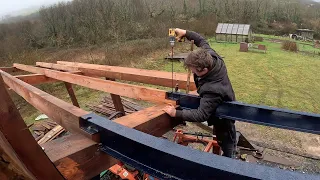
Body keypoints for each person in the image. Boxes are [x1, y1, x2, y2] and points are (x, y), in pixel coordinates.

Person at [163, 28, 237, 158]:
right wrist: (185, 33)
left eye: (194, 71)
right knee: (220, 133)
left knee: (225, 140)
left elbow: (201, 114)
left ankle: (229, 161)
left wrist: (175, 113)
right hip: (218, 102)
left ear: (204, 70)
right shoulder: (210, 55)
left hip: (224, 116)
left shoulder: (212, 89)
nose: (192, 73)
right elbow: (201, 40)